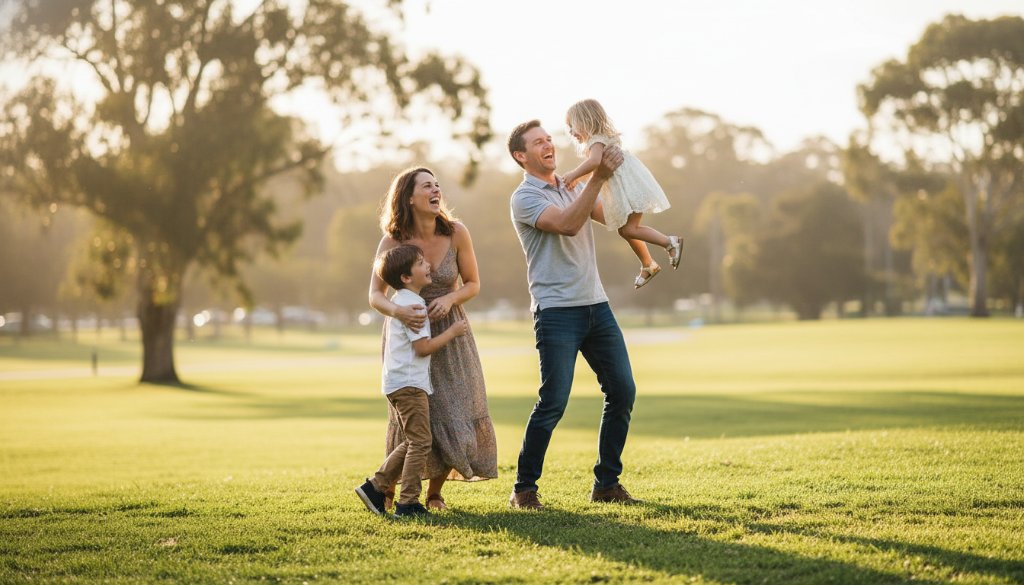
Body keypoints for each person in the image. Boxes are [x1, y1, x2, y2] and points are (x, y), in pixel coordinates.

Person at [506, 119, 641, 510]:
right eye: (537, 143)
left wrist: (624, 170)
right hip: (556, 312)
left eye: (549, 139)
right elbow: (567, 225)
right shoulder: (525, 198)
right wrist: (596, 178)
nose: (548, 145)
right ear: (521, 156)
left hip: (596, 305)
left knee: (623, 390)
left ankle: (606, 483)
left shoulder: (572, 185)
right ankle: (524, 489)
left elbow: (612, 218)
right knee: (553, 402)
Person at [368, 166, 498, 512]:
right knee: (416, 418)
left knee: (453, 408)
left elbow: (472, 283)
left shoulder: (456, 232)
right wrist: (399, 313)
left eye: (437, 184)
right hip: (409, 334)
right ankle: (387, 490)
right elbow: (375, 295)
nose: (436, 190)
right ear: (409, 197)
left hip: (451, 332)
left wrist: (450, 298)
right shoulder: (392, 241)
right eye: (427, 186)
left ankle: (435, 493)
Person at [355, 244, 469, 518]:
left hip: (398, 382)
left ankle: (375, 486)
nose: (428, 265)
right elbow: (423, 348)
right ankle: (407, 503)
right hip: (409, 384)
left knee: (413, 440)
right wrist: (453, 331)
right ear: (406, 277)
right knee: (421, 442)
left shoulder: (403, 302)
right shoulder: (412, 304)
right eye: (421, 263)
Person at [562, 98, 683, 288]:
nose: (570, 132)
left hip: (629, 190)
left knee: (628, 229)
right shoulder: (600, 140)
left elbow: (594, 163)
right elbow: (597, 169)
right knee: (626, 230)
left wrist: (573, 174)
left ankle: (669, 242)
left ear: (585, 120)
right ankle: (648, 264)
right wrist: (578, 179)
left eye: (572, 126)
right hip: (627, 188)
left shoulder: (596, 140)